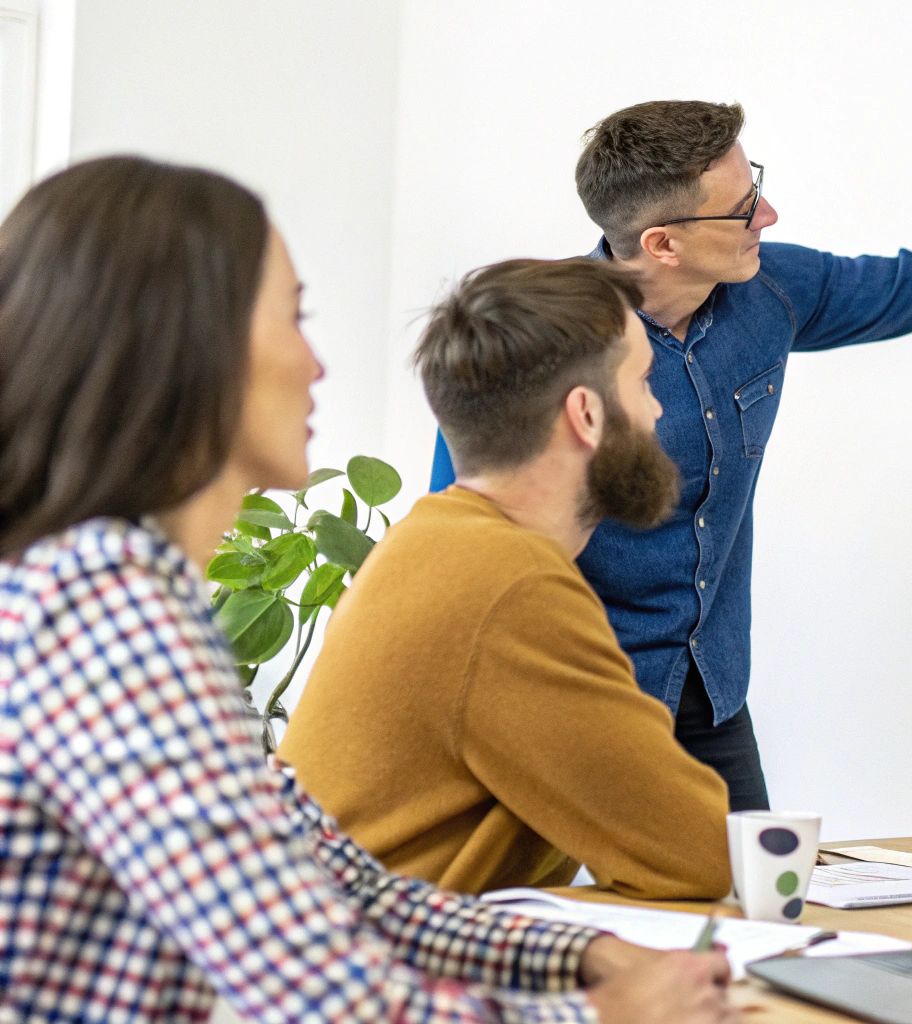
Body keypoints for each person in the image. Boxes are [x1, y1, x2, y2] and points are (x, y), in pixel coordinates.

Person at [0, 155, 733, 1023]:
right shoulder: (105, 613)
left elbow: (342, 883)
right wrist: (608, 1013)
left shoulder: (123, 596)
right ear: (187, 346)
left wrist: (586, 957)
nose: (316, 364)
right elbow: (327, 1006)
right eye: (293, 317)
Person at [430, 99, 912, 811]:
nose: (768, 215)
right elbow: (468, 546)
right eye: (742, 208)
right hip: (574, 700)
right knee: (547, 928)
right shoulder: (537, 342)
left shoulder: (767, 292)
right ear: (663, 243)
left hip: (709, 695)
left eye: (758, 187)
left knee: (752, 916)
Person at [281, 258, 731, 899]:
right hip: (384, 977)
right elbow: (699, 851)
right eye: (644, 382)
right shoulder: (510, 586)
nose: (658, 412)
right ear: (587, 414)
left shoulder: (435, 541)